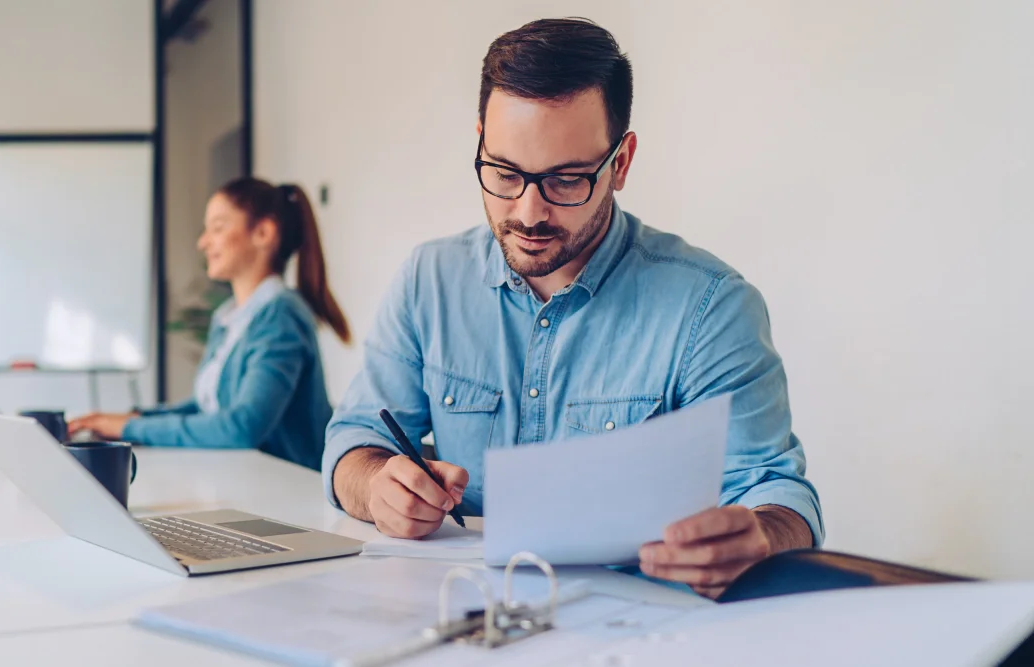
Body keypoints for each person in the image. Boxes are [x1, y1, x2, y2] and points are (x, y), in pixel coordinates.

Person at [323, 18, 822, 598]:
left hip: (635, 631)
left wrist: (759, 537)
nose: (529, 212)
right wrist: (378, 483)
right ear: (480, 139)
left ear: (622, 162)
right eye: (504, 173)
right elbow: (353, 440)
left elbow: (780, 495)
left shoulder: (712, 307)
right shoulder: (428, 281)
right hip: (461, 617)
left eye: (566, 180)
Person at [69, 178, 349, 471]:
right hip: (245, 478)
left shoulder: (280, 315)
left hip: (287, 490)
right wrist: (135, 419)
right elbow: (209, 408)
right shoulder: (230, 316)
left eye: (217, 227)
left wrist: (129, 428)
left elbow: (242, 427)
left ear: (263, 233)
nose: (203, 242)